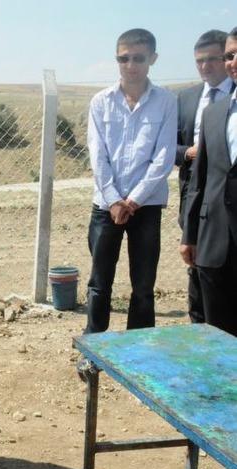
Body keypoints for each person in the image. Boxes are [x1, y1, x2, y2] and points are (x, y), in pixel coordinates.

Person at [84, 29, 177, 334]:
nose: (131, 65)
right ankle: (94, 348)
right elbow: (97, 155)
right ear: (117, 59)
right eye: (124, 58)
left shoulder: (165, 101)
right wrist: (113, 200)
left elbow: (163, 157)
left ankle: (140, 350)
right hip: (106, 206)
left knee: (143, 286)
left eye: (138, 58)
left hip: (145, 206)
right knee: (99, 283)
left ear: (153, 58)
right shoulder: (101, 102)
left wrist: (133, 200)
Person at [180, 27, 237, 337]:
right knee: (217, 335)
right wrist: (190, 234)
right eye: (229, 55)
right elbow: (200, 182)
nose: (233, 62)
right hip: (214, 242)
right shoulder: (214, 114)